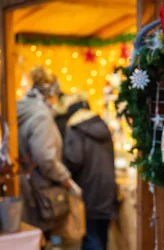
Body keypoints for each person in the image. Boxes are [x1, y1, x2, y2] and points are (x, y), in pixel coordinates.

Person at [17, 66, 81, 241]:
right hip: (38, 191)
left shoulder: (22, 108)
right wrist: (66, 180)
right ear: (50, 94)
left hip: (24, 185)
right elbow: (45, 157)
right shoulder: (41, 116)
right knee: (40, 238)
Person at [63, 94, 117, 250]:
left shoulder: (75, 129)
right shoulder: (103, 126)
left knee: (90, 236)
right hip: (107, 188)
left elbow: (74, 160)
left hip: (87, 189)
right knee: (102, 235)